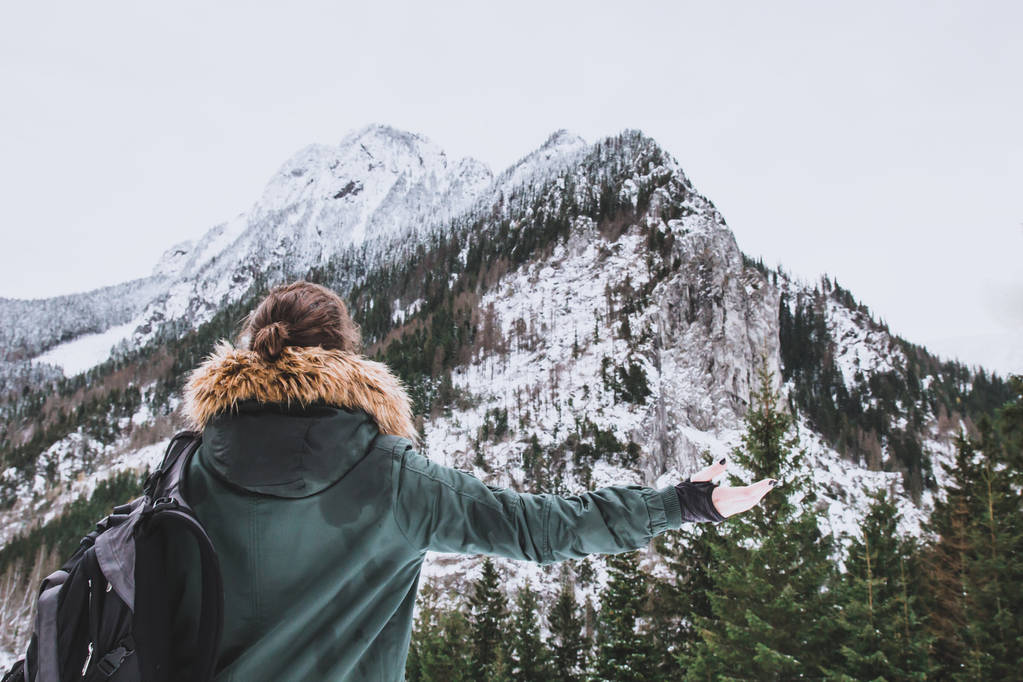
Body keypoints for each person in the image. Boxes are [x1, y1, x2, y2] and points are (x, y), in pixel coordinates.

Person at [175, 280, 777, 681]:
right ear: (347, 360)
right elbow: (537, 529)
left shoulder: (186, 469)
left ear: (250, 352)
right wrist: (683, 503)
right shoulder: (393, 479)